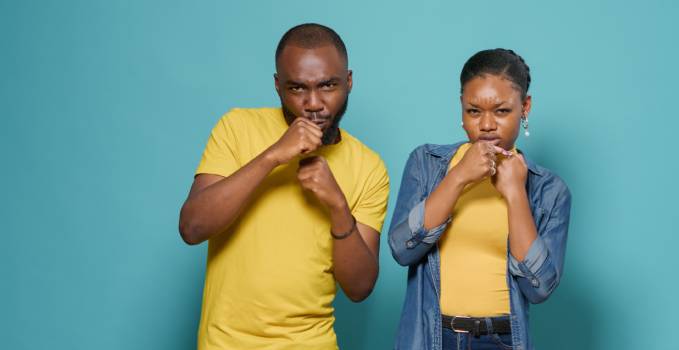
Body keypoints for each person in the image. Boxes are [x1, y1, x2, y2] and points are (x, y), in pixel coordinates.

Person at [179, 23, 389, 349]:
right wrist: (272, 157)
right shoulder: (237, 127)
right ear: (278, 87)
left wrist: (337, 205)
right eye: (297, 89)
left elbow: (360, 287)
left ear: (348, 82)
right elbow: (192, 227)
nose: (314, 102)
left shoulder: (369, 167)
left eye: (328, 85)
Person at [388, 48, 571, 350]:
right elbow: (401, 249)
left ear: (525, 107)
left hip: (502, 341)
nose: (486, 125)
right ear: (461, 107)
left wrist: (515, 194)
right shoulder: (427, 163)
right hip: (434, 339)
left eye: (501, 111)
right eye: (474, 111)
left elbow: (538, 287)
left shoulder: (548, 190)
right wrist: (459, 176)